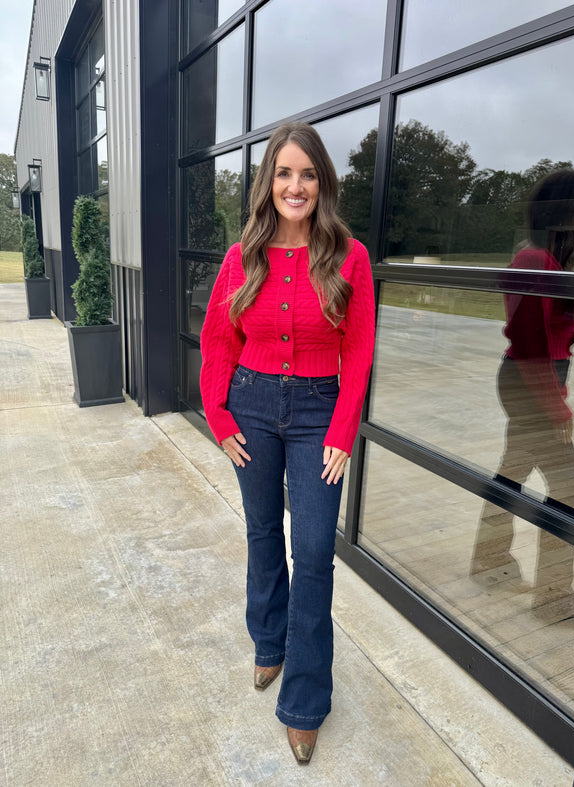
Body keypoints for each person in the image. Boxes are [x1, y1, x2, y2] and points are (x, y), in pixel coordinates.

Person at [199, 122, 375, 764]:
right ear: (268, 183)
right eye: (283, 173)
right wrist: (219, 416)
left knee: (314, 552)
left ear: (321, 183)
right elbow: (220, 339)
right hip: (250, 402)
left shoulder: (348, 256)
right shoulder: (242, 255)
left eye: (306, 174)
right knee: (262, 532)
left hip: (316, 412)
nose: (294, 186)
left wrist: (341, 431)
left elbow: (357, 351)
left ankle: (304, 700)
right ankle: (268, 644)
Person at [471, 169, 574, 618]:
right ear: (563, 209)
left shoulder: (548, 260)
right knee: (569, 486)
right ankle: (554, 600)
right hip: (529, 378)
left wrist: (572, 305)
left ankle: (489, 560)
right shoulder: (535, 259)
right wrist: (557, 407)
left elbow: (545, 328)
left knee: (511, 472)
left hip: (532, 376)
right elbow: (531, 342)